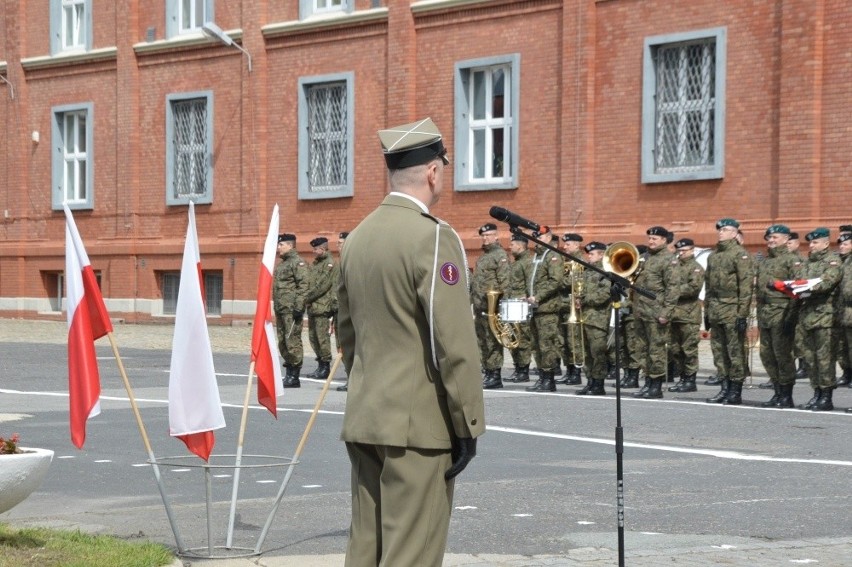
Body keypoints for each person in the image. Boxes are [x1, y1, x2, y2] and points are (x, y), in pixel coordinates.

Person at [337, 117, 485, 566]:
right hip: (418, 425)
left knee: (367, 548)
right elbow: (454, 345)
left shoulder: (357, 238)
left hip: (366, 414)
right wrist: (468, 425)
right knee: (411, 555)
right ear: (433, 172)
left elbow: (348, 333)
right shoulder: (432, 236)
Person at [705, 218, 754, 405]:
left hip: (732, 309)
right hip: (716, 310)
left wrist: (742, 314)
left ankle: (735, 391)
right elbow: (708, 286)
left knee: (735, 352)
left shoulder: (740, 255)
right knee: (719, 352)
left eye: (725, 230)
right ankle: (724, 388)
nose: (721, 232)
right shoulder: (714, 256)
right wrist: (707, 312)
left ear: (734, 233)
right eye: (720, 230)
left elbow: (746, 287)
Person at [792, 228, 842, 410]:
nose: (811, 246)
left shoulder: (833, 261)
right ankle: (817, 393)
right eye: (810, 243)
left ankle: (826, 396)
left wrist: (808, 288)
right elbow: (798, 281)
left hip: (825, 316)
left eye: (815, 242)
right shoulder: (806, 264)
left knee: (824, 358)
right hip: (807, 316)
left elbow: (828, 282)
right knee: (810, 358)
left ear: (826, 243)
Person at [754, 225, 801, 408]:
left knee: (783, 355)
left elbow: (797, 290)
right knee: (766, 354)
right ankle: (777, 391)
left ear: (785, 239)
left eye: (775, 237)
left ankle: (786, 395)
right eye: (769, 237)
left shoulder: (792, 260)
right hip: (765, 314)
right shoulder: (764, 262)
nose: (771, 240)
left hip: (782, 313)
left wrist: (791, 317)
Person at [632, 226, 680, 399]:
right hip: (641, 310)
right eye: (650, 238)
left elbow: (673, 289)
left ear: (664, 240)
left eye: (655, 239)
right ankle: (648, 382)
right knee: (643, 349)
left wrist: (666, 313)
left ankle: (656, 385)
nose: (651, 241)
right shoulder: (644, 258)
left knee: (656, 350)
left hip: (656, 312)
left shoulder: (669, 260)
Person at [524, 226, 565, 392]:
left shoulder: (553, 256)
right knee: (536, 344)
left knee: (547, 344)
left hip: (547, 309)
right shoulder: (536, 257)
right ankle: (542, 377)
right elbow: (532, 281)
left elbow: (555, 281)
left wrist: (538, 296)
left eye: (540, 237)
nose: (537, 240)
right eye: (535, 238)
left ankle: (549, 379)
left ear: (548, 237)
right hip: (535, 309)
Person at [470, 222, 510, 389]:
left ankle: (495, 374)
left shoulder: (499, 255)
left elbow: (505, 282)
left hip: (492, 307)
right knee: (482, 340)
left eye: (488, 235)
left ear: (496, 236)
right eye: (483, 236)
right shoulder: (484, 256)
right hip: (480, 307)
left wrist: (502, 305)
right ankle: (487, 370)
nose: (485, 238)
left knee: (492, 341)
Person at [667, 238, 705, 393]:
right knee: (676, 349)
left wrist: (672, 291)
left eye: (684, 250)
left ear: (692, 250)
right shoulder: (674, 267)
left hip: (688, 314)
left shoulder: (696, 268)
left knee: (688, 349)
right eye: (679, 251)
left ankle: (690, 379)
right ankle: (682, 377)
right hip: (674, 314)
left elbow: (693, 288)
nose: (681, 253)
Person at [574, 241, 610, 396]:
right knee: (586, 352)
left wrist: (584, 298)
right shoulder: (586, 271)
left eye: (592, 254)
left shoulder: (607, 272)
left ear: (601, 255)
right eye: (588, 253)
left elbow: (603, 295)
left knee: (598, 353)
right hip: (584, 317)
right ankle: (590, 380)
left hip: (598, 319)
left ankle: (599, 383)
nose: (588, 256)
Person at [273, 233, 309, 388]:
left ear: (290, 245)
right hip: (281, 308)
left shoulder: (298, 263)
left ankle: (294, 376)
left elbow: (304, 285)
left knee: (292, 340)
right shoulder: (282, 264)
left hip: (291, 309)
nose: (278, 248)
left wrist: (299, 306)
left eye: (281, 245)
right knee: (283, 341)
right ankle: (288, 373)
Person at [304, 236, 336, 381]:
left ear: (322, 249)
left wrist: (306, 297)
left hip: (322, 307)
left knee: (322, 338)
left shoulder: (329, 264)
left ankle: (325, 367)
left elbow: (322, 285)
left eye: (315, 249)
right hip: (313, 307)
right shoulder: (316, 264)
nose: (313, 251)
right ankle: (320, 364)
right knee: (313, 338)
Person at [506, 234, 534, 383]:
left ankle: (523, 370)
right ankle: (518, 368)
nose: (510, 247)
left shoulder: (526, 262)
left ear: (520, 245)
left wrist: (528, 296)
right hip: (512, 304)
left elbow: (530, 282)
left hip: (521, 304)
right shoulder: (516, 262)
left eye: (512, 244)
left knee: (522, 337)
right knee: (513, 338)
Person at [558, 233, 584, 385]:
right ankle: (568, 370)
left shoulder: (580, 261)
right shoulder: (565, 260)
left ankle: (576, 372)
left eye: (568, 244)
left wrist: (559, 279)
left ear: (576, 245)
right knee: (564, 342)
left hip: (572, 306)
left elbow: (573, 281)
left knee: (574, 341)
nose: (565, 246)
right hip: (563, 305)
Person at [786, 231, 809, 380]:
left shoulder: (800, 260)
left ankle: (804, 366)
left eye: (790, 243)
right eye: (786, 242)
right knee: (790, 337)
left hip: (797, 303)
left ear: (796, 244)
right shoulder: (783, 259)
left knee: (799, 337)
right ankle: (792, 365)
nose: (787, 245)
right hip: (786, 302)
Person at [835, 230, 852, 387]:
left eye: (845, 244)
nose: (842, 246)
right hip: (840, 312)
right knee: (842, 347)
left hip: (850, 310)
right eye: (841, 244)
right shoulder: (839, 261)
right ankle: (846, 373)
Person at [335, 231, 350, 392]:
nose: (337, 246)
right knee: (341, 344)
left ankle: (352, 377)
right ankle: (349, 376)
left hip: (350, 310)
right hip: (339, 309)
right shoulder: (341, 262)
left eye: (340, 243)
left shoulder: (352, 261)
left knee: (350, 343)